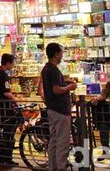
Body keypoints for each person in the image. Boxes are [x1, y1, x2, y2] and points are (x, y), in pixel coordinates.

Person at [41, 43, 76, 171]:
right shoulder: (53, 69)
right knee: (62, 142)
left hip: (52, 109)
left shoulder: (46, 69)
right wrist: (69, 87)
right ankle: (60, 167)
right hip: (60, 110)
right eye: (61, 53)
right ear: (56, 54)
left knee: (54, 140)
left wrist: (65, 83)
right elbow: (56, 90)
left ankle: (53, 166)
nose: (62, 55)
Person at [0, 54, 22, 166]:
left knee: (3, 132)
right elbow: (6, 92)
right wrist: (16, 102)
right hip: (5, 107)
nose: (13, 65)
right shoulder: (3, 74)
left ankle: (2, 157)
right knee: (9, 133)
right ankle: (7, 159)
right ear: (7, 63)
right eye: (12, 63)